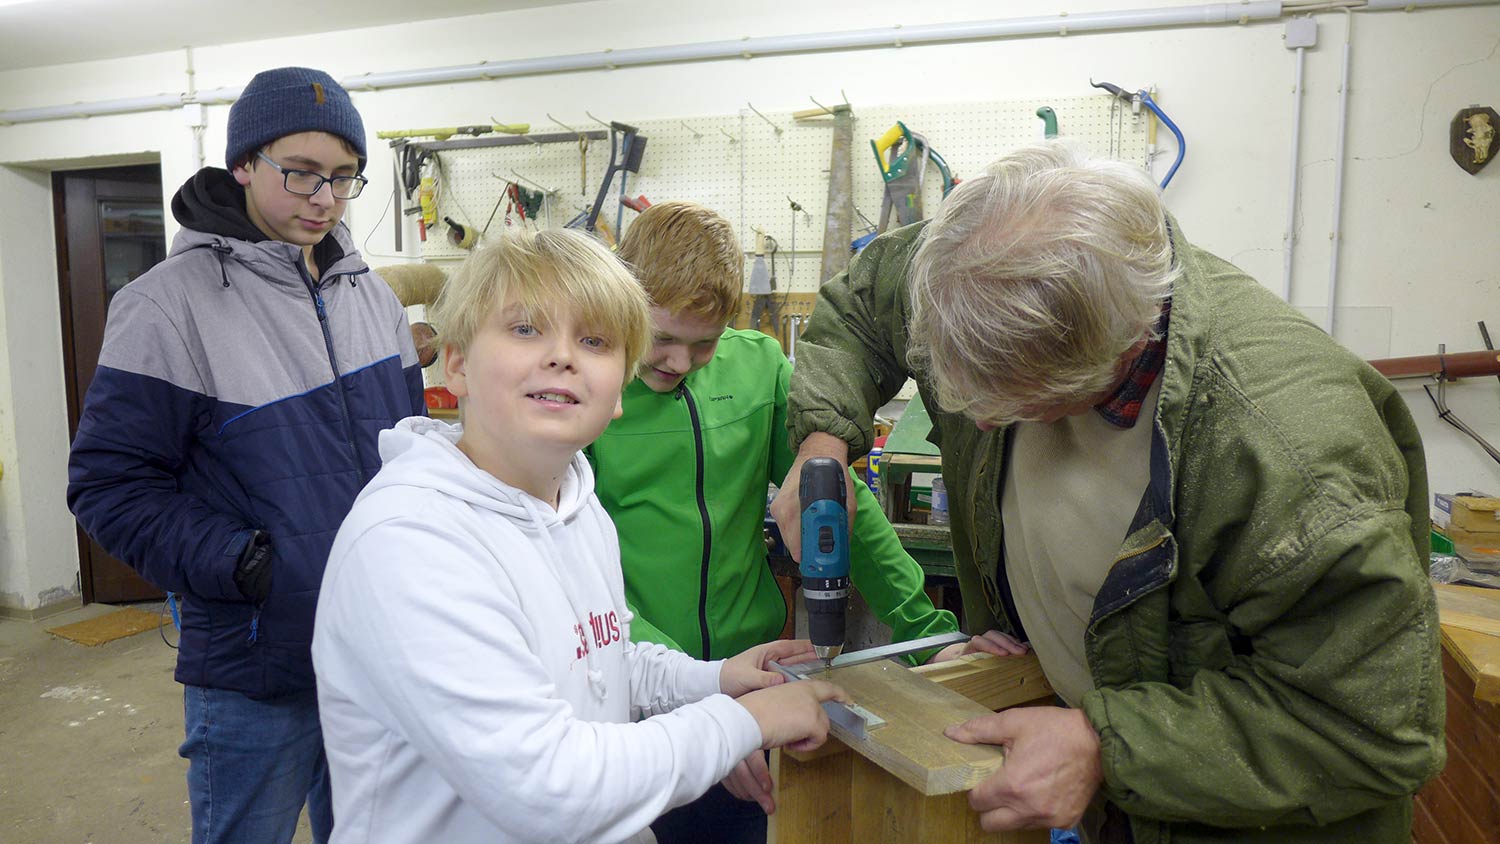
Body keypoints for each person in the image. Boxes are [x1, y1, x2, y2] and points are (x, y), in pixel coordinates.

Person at [772, 141, 1444, 844]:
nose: (976, 420)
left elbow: (1371, 727)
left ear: (1117, 346)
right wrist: (825, 442)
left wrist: (1107, 746)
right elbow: (860, 307)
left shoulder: (1287, 454)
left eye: (1012, 403)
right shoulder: (980, 263)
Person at [311, 229, 845, 844]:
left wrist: (715, 679)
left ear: (620, 389)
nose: (562, 356)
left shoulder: (576, 509)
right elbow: (547, 787)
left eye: (593, 341)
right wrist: (742, 721)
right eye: (525, 329)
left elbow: (604, 657)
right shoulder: (411, 542)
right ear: (455, 364)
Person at [66, 67, 424, 843]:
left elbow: (413, 452)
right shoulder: (167, 304)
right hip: (260, 661)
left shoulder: (373, 297)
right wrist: (243, 564)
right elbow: (107, 485)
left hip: (378, 654)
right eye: (299, 173)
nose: (322, 199)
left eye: (341, 177)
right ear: (244, 165)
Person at [591, 200, 1023, 843]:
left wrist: (931, 636)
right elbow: (588, 578)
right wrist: (702, 707)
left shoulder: (760, 368)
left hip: (765, 682)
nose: (681, 362)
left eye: (703, 342)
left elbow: (839, 506)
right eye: (662, 337)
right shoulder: (591, 392)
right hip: (634, 703)